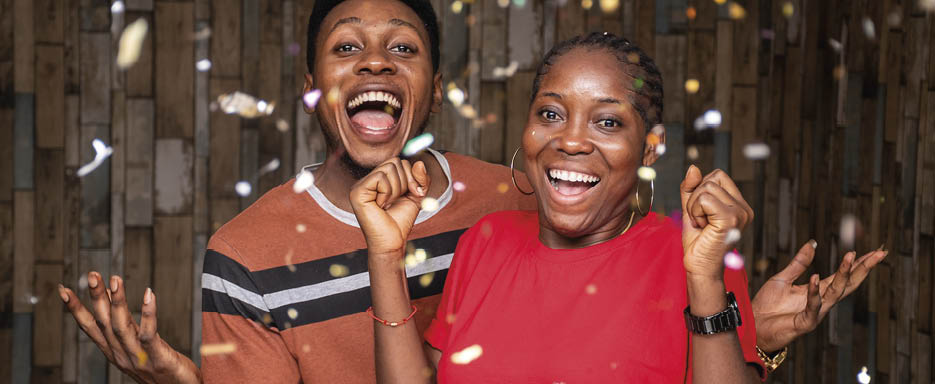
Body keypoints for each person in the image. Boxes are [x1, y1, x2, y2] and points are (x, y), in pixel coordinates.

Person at [56, 1, 886, 382]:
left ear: (435, 84)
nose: (375, 63)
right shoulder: (243, 258)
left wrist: (737, 326)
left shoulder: (510, 198)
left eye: (402, 48)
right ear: (314, 84)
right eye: (347, 47)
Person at [350, 32, 889, 383]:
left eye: (608, 122)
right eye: (552, 113)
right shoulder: (487, 240)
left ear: (650, 148)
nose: (572, 141)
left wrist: (703, 277)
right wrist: (386, 257)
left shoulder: (693, 259)